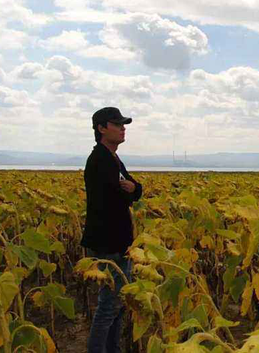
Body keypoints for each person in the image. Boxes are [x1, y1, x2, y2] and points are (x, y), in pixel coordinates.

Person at [80, 107, 142, 353]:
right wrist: (131, 191)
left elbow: (133, 187)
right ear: (102, 129)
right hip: (108, 243)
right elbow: (118, 197)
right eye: (117, 124)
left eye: (123, 124)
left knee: (117, 305)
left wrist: (133, 190)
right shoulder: (100, 159)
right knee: (109, 306)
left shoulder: (113, 158)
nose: (123, 128)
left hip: (118, 243)